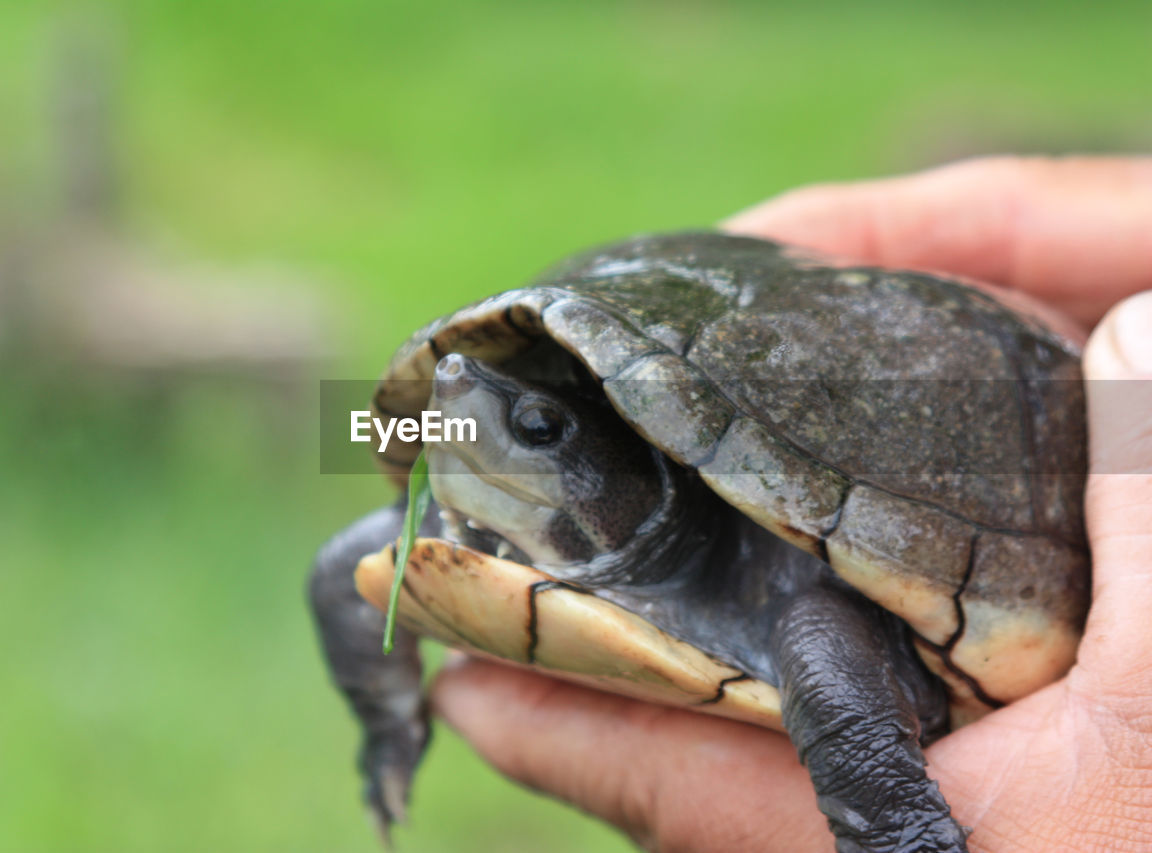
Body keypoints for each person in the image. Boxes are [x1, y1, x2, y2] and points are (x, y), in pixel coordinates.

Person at [431, 157, 1152, 852]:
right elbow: (352, 570)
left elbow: (830, 668)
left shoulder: (809, 615)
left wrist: (895, 828)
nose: (453, 389)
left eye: (537, 429)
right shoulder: (447, 506)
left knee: (819, 645)